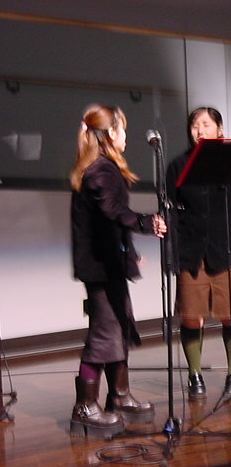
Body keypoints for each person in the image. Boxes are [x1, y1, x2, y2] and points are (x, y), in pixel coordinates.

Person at [69, 104, 166, 437]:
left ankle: (119, 396)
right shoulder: (100, 170)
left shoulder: (102, 167)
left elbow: (109, 223)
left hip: (108, 264)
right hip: (100, 268)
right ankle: (85, 407)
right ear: (110, 133)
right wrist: (147, 222)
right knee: (104, 335)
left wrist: (131, 253)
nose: (126, 136)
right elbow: (113, 211)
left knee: (118, 329)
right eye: (123, 130)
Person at [166, 107, 231, 401]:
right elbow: (169, 210)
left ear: (219, 129)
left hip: (228, 247)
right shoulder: (178, 165)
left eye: (205, 124)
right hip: (192, 250)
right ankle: (194, 374)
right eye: (194, 125)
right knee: (191, 317)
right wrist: (172, 254)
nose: (199, 130)